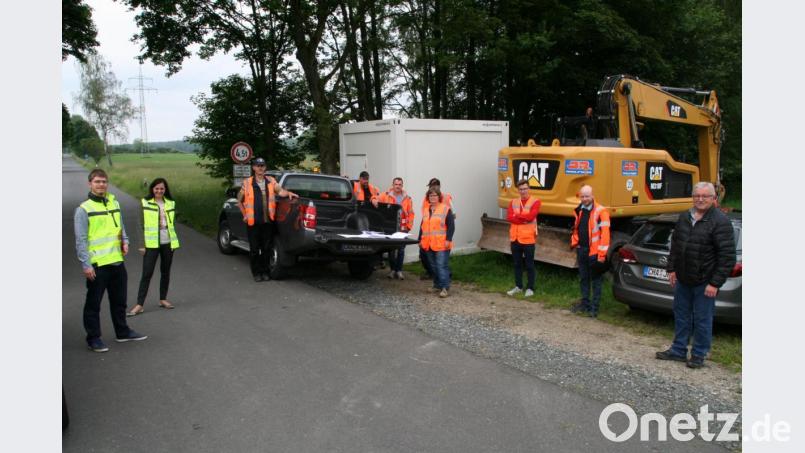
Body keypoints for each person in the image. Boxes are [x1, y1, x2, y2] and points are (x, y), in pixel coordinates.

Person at [656, 182, 736, 369]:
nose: (700, 199)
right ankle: (678, 350)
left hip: (704, 282)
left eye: (705, 196)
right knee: (681, 315)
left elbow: (727, 257)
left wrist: (715, 283)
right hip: (683, 278)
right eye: (696, 196)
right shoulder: (685, 217)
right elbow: (676, 246)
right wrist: (671, 269)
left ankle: (699, 354)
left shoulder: (720, 221)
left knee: (702, 319)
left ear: (713, 198)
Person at [74, 169, 147, 352]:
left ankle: (122, 332)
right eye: (97, 181)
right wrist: (86, 264)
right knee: (93, 304)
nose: (101, 185)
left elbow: (120, 225)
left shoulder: (114, 202)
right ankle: (93, 338)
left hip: (116, 261)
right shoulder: (84, 209)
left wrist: (126, 240)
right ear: (90, 183)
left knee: (119, 301)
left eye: (104, 181)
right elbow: (81, 240)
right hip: (98, 265)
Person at [237, 157, 298, 282]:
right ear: (253, 168)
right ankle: (256, 273)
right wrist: (244, 214)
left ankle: (265, 272)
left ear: (265, 167)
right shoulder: (247, 183)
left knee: (266, 249)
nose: (260, 168)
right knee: (254, 250)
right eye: (258, 166)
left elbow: (280, 192)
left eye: (262, 166)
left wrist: (289, 193)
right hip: (253, 222)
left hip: (267, 222)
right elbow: (239, 200)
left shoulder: (270, 181)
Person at [127, 178, 180, 316]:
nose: (159, 191)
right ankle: (139, 304)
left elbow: (172, 223)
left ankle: (163, 299)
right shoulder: (145, 202)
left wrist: (173, 242)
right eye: (156, 188)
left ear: (165, 190)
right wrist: (141, 244)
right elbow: (140, 224)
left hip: (168, 242)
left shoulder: (171, 203)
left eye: (162, 189)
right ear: (152, 189)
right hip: (151, 244)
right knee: (147, 273)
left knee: (165, 272)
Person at [569, 184, 610, 318]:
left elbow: (605, 235)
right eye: (582, 196)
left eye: (587, 196)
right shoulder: (579, 210)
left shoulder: (601, 211)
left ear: (592, 196)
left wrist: (601, 255)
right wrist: (575, 243)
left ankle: (594, 308)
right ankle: (585, 304)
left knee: (596, 281)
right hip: (582, 250)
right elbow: (577, 228)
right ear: (580, 196)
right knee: (584, 278)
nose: (585, 198)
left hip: (595, 253)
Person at [505, 179, 541, 297]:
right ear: (518, 190)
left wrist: (518, 216)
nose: (523, 191)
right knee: (517, 264)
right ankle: (518, 286)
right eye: (521, 189)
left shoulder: (535, 201)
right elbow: (510, 217)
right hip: (515, 238)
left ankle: (530, 288)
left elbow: (531, 217)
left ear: (529, 188)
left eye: (525, 188)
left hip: (528, 239)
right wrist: (523, 218)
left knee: (529, 264)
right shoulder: (513, 202)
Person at [419, 188, 455, 298]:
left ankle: (445, 288)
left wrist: (448, 240)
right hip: (428, 243)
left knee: (441, 266)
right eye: (430, 196)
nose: (432, 197)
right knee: (433, 266)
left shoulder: (445, 209)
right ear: (428, 198)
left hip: (442, 243)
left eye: (435, 195)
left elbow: (451, 226)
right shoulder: (426, 210)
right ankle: (437, 285)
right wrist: (420, 239)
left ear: (439, 197)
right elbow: (422, 226)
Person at [379, 177, 415, 279]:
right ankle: (392, 270)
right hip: (391, 228)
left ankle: (399, 271)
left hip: (403, 228)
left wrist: (409, 226)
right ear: (393, 185)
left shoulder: (407, 198)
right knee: (391, 250)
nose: (398, 186)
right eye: (396, 184)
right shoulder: (386, 196)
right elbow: (375, 198)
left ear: (402, 186)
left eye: (400, 184)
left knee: (401, 250)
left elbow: (411, 213)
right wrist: (373, 199)